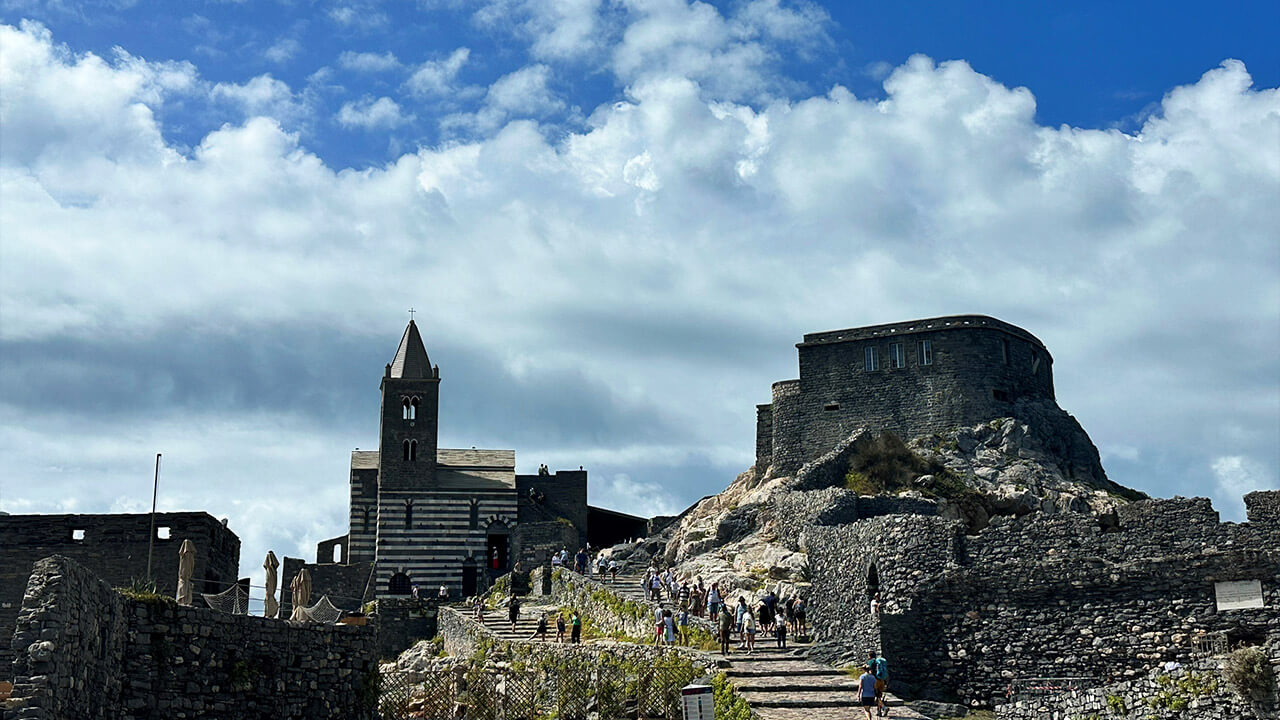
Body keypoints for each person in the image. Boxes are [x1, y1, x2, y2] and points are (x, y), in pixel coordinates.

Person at [869, 650, 890, 716]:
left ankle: (884, 708)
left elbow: (871, 672)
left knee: (876, 697)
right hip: (881, 680)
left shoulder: (871, 662)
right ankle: (879, 711)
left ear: (869, 656)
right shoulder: (879, 661)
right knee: (879, 696)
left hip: (875, 681)